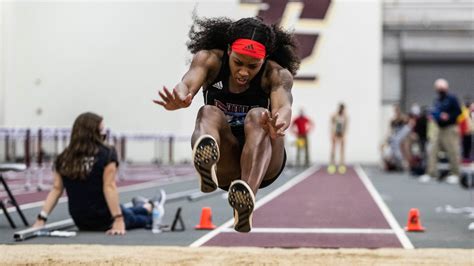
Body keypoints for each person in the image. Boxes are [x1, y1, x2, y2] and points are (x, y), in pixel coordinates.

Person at [153, 16, 300, 232]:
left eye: (252, 66)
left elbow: (284, 105)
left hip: (263, 158)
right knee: (208, 112)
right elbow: (187, 83)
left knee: (259, 116)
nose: (243, 72)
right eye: (238, 63)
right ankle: (206, 166)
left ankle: (246, 198)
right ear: (229, 50)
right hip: (227, 159)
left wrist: (279, 121)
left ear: (265, 59)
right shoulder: (210, 60)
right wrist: (181, 96)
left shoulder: (277, 74)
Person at [32, 112, 156, 234]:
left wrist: (41, 218)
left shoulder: (64, 157)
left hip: (80, 220)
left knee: (125, 210)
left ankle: (145, 207)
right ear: (94, 132)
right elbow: (109, 186)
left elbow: (56, 189)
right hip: (107, 219)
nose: (104, 133)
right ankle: (150, 208)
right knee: (140, 219)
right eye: (101, 130)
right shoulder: (107, 153)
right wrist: (118, 219)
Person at [419, 79, 462, 183]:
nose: (440, 90)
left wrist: (448, 116)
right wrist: (433, 116)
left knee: (453, 151)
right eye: (438, 88)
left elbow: (458, 112)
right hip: (439, 128)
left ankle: (456, 174)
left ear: (446, 87)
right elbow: (435, 111)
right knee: (432, 150)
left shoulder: (452, 98)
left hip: (450, 128)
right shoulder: (437, 100)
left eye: (441, 88)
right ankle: (431, 173)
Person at [328, 103, 348, 174]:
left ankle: (341, 165)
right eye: (341, 109)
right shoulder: (334, 115)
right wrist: (332, 134)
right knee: (333, 149)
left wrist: (344, 135)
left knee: (342, 149)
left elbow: (346, 126)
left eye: (343, 109)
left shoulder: (345, 116)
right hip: (335, 133)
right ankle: (332, 164)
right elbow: (331, 125)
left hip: (341, 134)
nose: (342, 110)